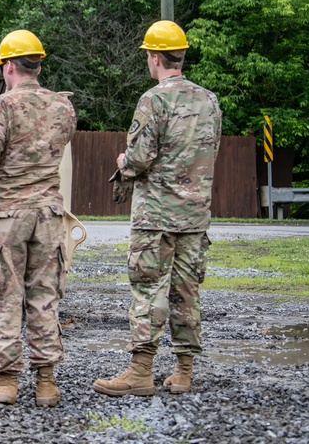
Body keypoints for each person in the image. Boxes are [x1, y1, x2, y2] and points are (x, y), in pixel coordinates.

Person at [93, 20, 221, 397]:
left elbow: (138, 159)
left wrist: (123, 160)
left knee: (149, 289)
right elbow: (208, 151)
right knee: (187, 291)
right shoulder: (209, 100)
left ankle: (140, 371)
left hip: (156, 215)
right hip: (195, 215)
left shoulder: (154, 100)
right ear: (180, 56)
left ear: (154, 57)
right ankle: (183, 372)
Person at [0, 29, 77, 407]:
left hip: (8, 218)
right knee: (44, 296)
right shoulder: (63, 107)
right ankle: (46, 384)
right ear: (37, 64)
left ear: (8, 66)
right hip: (49, 217)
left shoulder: (3, 107)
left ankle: (6, 381)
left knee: (3, 295)